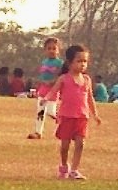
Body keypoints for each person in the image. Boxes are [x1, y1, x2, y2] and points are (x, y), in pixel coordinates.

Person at [44, 44, 101, 179]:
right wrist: (45, 99)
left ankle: (74, 170)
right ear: (70, 62)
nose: (83, 64)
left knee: (80, 144)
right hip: (67, 116)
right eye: (79, 61)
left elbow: (90, 98)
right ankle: (64, 166)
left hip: (82, 117)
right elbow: (54, 91)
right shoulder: (64, 79)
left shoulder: (86, 80)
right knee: (65, 146)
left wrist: (95, 115)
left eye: (85, 61)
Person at [27, 36, 63, 139]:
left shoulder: (60, 63)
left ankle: (62, 119)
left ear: (58, 50)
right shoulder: (44, 62)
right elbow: (42, 75)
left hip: (53, 90)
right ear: (45, 50)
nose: (51, 51)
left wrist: (53, 82)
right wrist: (39, 85)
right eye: (49, 48)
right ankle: (38, 132)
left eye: (54, 48)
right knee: (40, 111)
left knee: (51, 111)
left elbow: (61, 76)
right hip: (43, 89)